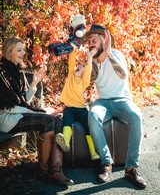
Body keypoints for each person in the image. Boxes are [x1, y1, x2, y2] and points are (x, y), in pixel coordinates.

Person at [0, 37, 74, 186]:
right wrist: (36, 113)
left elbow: (23, 101)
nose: (23, 53)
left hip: (18, 114)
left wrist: (33, 83)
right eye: (19, 50)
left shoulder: (17, 70)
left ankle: (50, 170)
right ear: (9, 52)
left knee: (57, 118)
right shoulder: (2, 71)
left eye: (23, 50)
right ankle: (52, 171)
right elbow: (8, 106)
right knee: (48, 120)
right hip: (6, 118)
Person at [84, 24, 146, 189]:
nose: (90, 43)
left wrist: (109, 52)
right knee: (93, 115)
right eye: (88, 41)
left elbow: (123, 75)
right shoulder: (92, 61)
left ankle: (131, 167)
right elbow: (87, 81)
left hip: (123, 100)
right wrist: (91, 59)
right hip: (103, 102)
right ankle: (106, 163)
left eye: (94, 40)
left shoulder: (117, 54)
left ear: (104, 41)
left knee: (137, 116)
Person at [55, 48, 100, 161]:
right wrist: (73, 50)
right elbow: (71, 61)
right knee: (67, 122)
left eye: (82, 67)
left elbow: (88, 69)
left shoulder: (84, 81)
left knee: (87, 127)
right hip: (69, 108)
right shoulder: (71, 75)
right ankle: (65, 142)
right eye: (80, 65)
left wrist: (89, 57)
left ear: (85, 74)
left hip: (81, 109)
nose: (79, 66)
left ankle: (93, 151)